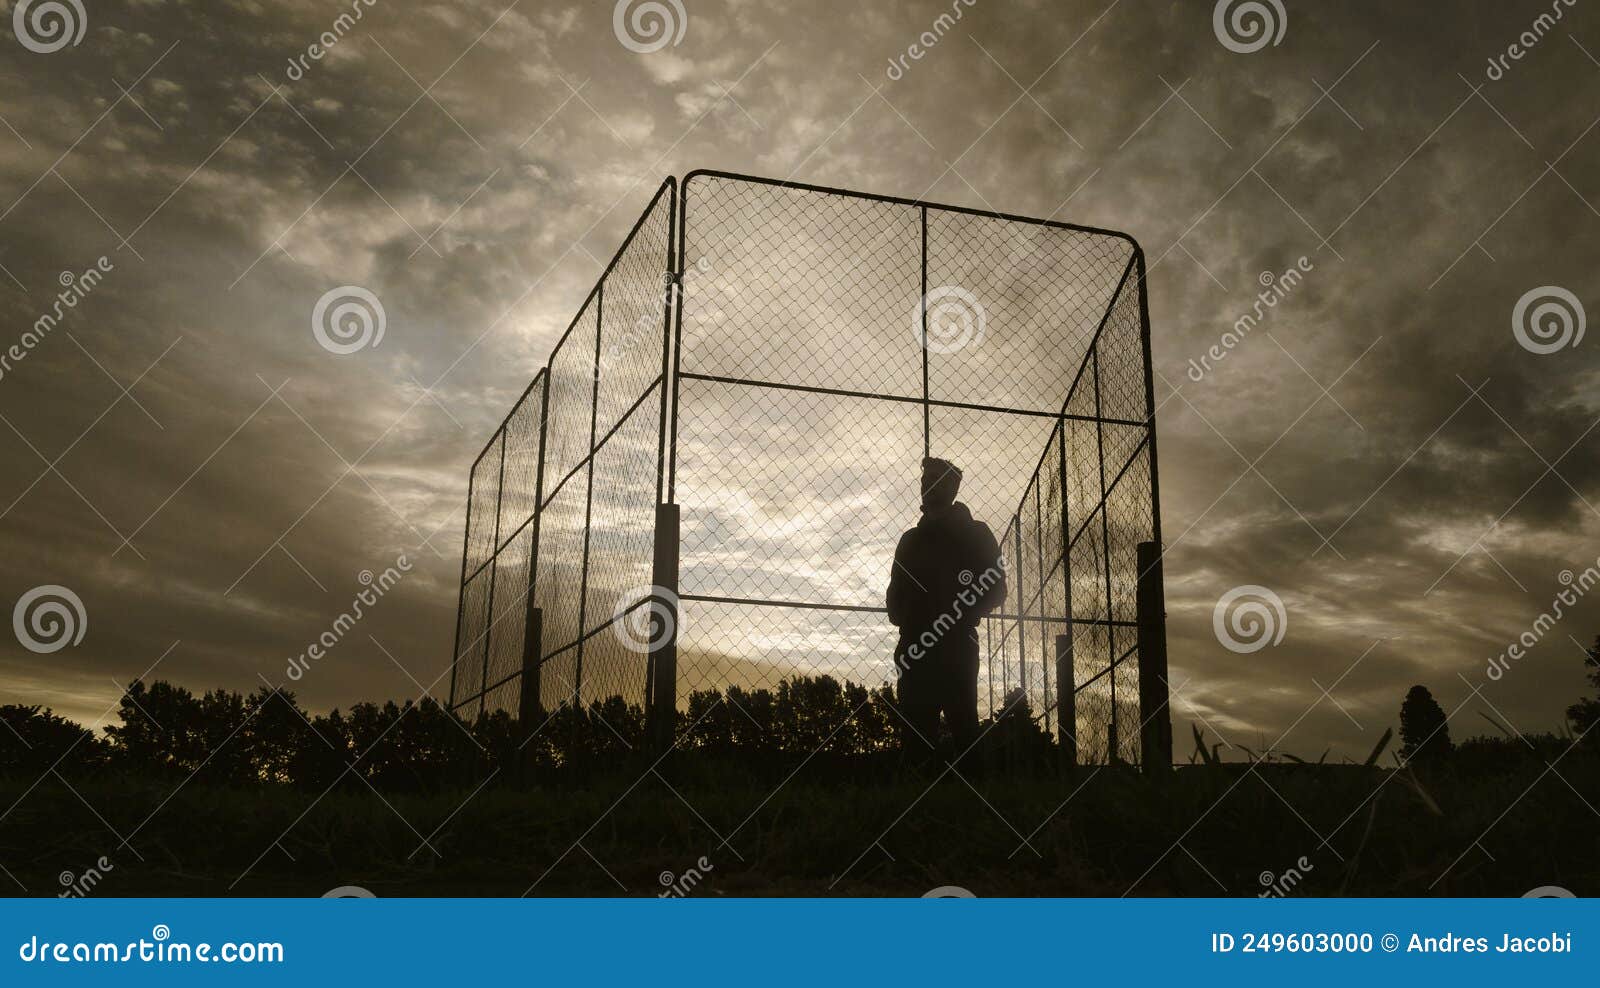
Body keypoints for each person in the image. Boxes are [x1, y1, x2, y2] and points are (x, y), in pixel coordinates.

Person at [886, 457, 1006, 764]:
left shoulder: (976, 534)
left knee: (964, 729)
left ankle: (972, 802)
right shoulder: (910, 540)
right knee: (915, 736)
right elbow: (894, 593)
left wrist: (958, 615)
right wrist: (908, 618)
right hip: (916, 645)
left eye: (935, 480)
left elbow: (997, 588)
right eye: (925, 481)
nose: (927, 486)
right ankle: (920, 804)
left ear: (952, 487)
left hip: (956, 644)